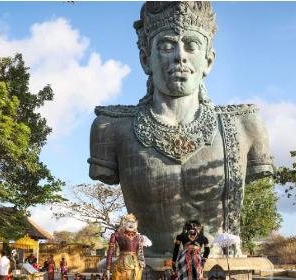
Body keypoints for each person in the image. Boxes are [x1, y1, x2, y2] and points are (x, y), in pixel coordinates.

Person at [88, 1, 273, 257]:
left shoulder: (245, 125)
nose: (180, 56)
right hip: (146, 265)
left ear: (208, 60)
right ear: (145, 59)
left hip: (219, 265)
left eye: (192, 45)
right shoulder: (110, 127)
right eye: (165, 45)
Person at [106, 214, 145, 280]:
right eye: (129, 222)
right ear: (123, 223)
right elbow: (110, 251)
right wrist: (108, 267)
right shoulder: (116, 235)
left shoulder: (139, 237)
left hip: (136, 264)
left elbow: (141, 253)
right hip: (122, 264)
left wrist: (142, 264)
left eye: (133, 222)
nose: (131, 224)